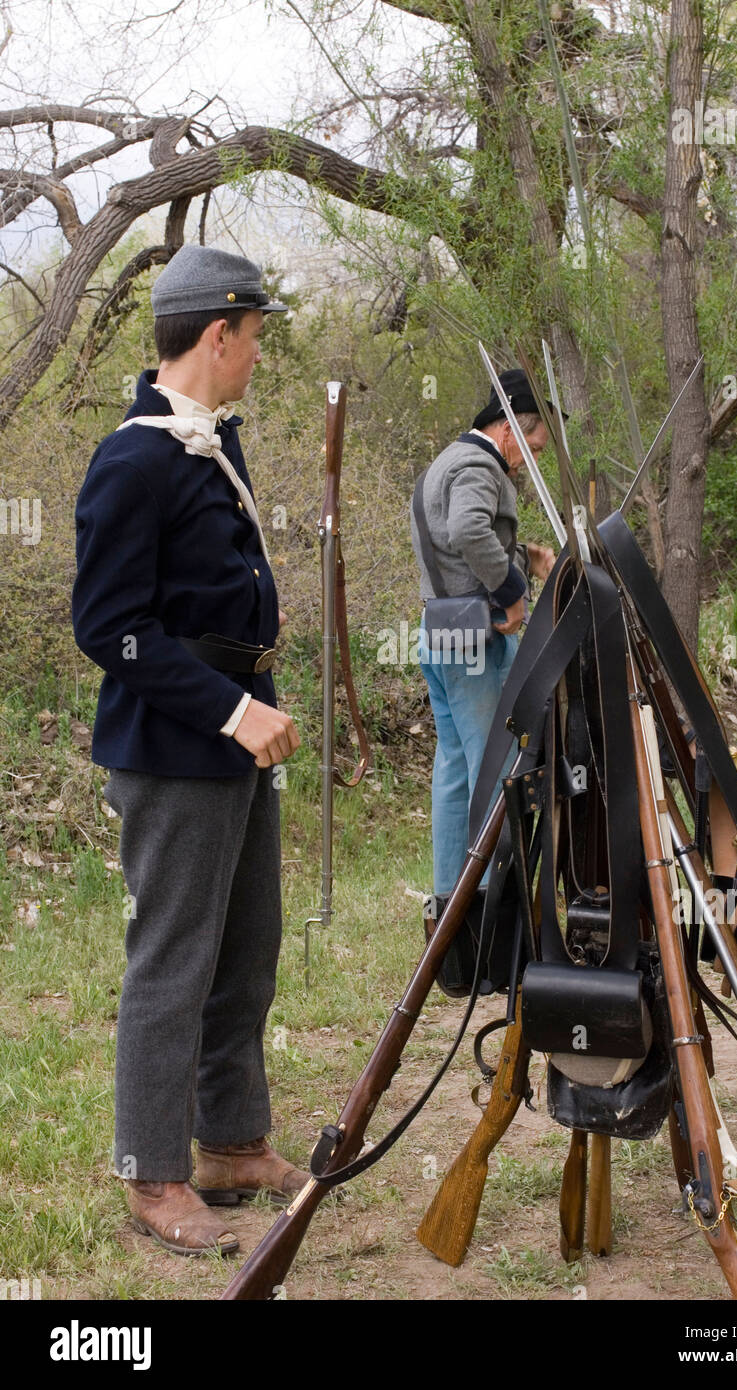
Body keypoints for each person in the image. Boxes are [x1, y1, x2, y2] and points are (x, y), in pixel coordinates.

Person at [72, 245, 305, 1256]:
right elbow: (108, 626)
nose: (257, 355)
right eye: (254, 338)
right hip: (177, 744)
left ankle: (230, 1141)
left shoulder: (208, 442)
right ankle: (153, 1172)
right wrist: (226, 707)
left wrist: (252, 696)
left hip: (237, 725)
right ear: (218, 334)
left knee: (247, 948)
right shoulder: (133, 458)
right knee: (171, 964)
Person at [411, 368, 555, 896]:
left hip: (443, 635)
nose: (532, 461)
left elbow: (458, 547)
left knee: (454, 774)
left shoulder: (448, 461)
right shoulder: (478, 464)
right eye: (534, 448)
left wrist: (523, 554)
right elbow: (468, 530)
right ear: (510, 429)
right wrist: (514, 589)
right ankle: (496, 906)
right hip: (476, 643)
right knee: (496, 771)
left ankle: (452, 900)